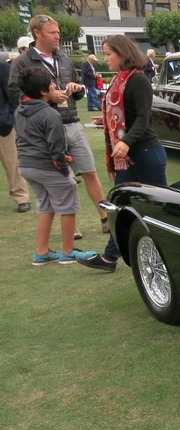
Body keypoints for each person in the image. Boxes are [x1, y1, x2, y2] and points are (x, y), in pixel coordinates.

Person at [9, 15, 109, 238]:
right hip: (45, 128)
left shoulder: (63, 58)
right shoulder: (22, 62)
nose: (58, 36)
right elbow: (14, 94)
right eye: (53, 33)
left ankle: (105, 218)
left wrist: (77, 89)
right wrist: (47, 96)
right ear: (38, 33)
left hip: (72, 122)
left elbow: (79, 85)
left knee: (90, 171)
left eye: (58, 32)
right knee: (62, 178)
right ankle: (71, 228)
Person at [78, 35, 167, 273]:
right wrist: (106, 121)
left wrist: (126, 140)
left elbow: (143, 117)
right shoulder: (120, 78)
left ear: (122, 53)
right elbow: (122, 113)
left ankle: (169, 254)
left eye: (108, 53)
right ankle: (110, 257)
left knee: (157, 207)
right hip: (128, 155)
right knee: (119, 204)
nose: (105, 58)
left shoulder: (138, 80)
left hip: (146, 153)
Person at [15, 67, 95, 265]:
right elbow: (57, 148)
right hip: (46, 166)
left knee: (46, 206)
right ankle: (68, 251)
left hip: (26, 166)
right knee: (67, 204)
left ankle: (41, 252)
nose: (54, 86)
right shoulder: (50, 115)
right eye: (51, 84)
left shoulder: (19, 109)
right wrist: (62, 168)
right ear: (44, 91)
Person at [0, 55, 31, 212]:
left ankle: (21, 197)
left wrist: (10, 118)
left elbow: (12, 95)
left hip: (3, 125)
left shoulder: (2, 66)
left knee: (12, 163)